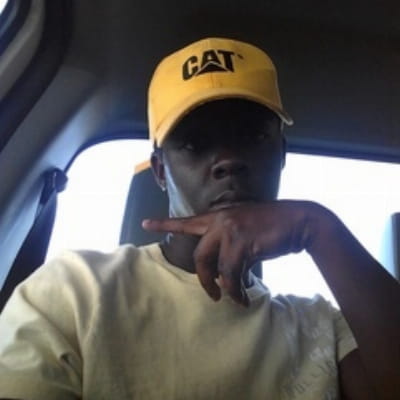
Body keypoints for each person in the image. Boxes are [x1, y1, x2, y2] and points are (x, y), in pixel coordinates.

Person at [0, 37, 399, 400]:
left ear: (281, 154)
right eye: (195, 143)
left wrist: (319, 227)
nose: (228, 161)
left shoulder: (320, 326)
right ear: (160, 171)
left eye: (252, 136)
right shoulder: (75, 291)